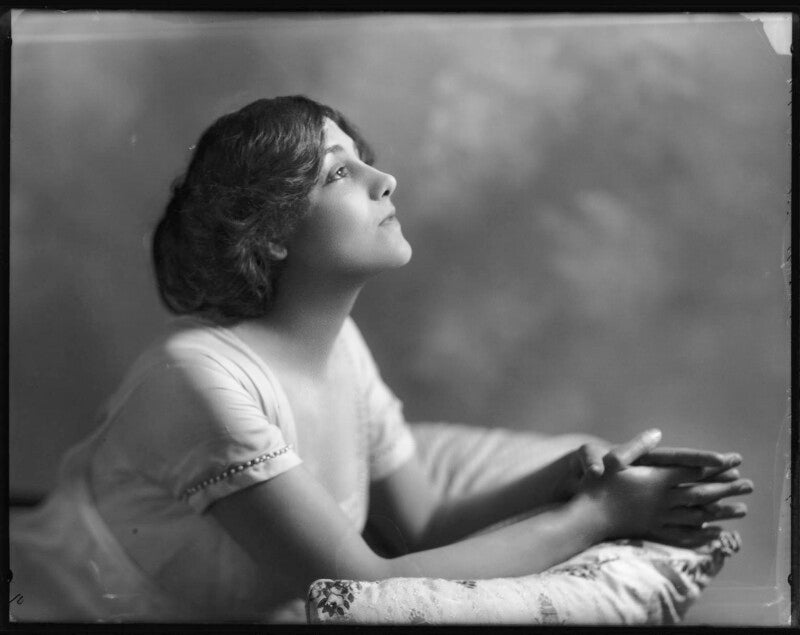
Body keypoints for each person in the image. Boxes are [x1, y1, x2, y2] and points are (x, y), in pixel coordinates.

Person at [54, 96, 752, 622]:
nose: (384, 178)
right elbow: (363, 583)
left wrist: (571, 474)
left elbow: (424, 523)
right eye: (339, 172)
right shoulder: (198, 377)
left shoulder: (342, 348)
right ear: (269, 233)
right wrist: (595, 518)